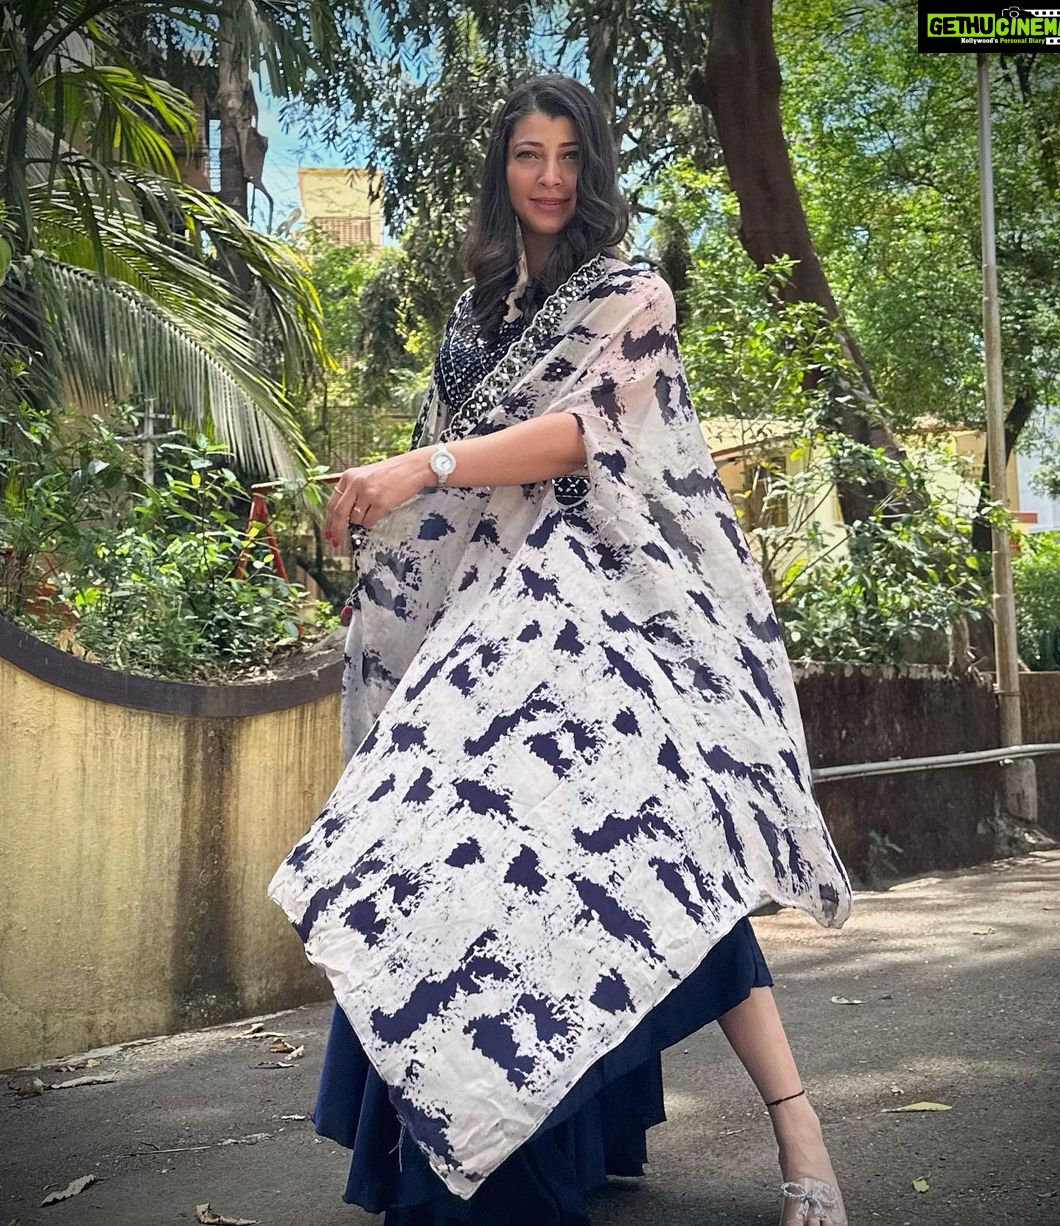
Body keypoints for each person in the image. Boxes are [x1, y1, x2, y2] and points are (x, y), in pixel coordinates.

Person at [270, 74, 853, 1226]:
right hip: (484, 612)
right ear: (502, 169)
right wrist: (385, 542)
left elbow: (585, 434)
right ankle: (480, 1134)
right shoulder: (472, 315)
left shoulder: (633, 294)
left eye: (569, 155)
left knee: (668, 850)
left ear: (594, 169)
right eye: (528, 154)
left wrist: (420, 465)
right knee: (429, 843)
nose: (548, 176)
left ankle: (801, 1126)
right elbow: (446, 480)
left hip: (600, 610)